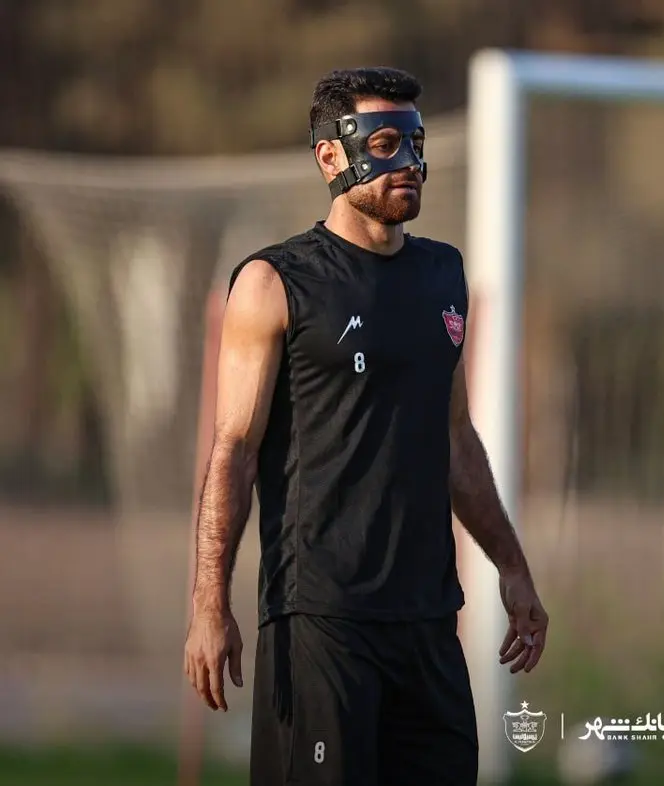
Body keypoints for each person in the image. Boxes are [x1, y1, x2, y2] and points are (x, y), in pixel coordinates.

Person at [182, 66, 549, 786]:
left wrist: (512, 566)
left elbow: (456, 442)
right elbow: (235, 451)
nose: (408, 163)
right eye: (385, 144)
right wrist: (209, 604)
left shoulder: (443, 275)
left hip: (428, 621)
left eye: (416, 144)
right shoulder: (274, 282)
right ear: (330, 156)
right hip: (322, 620)